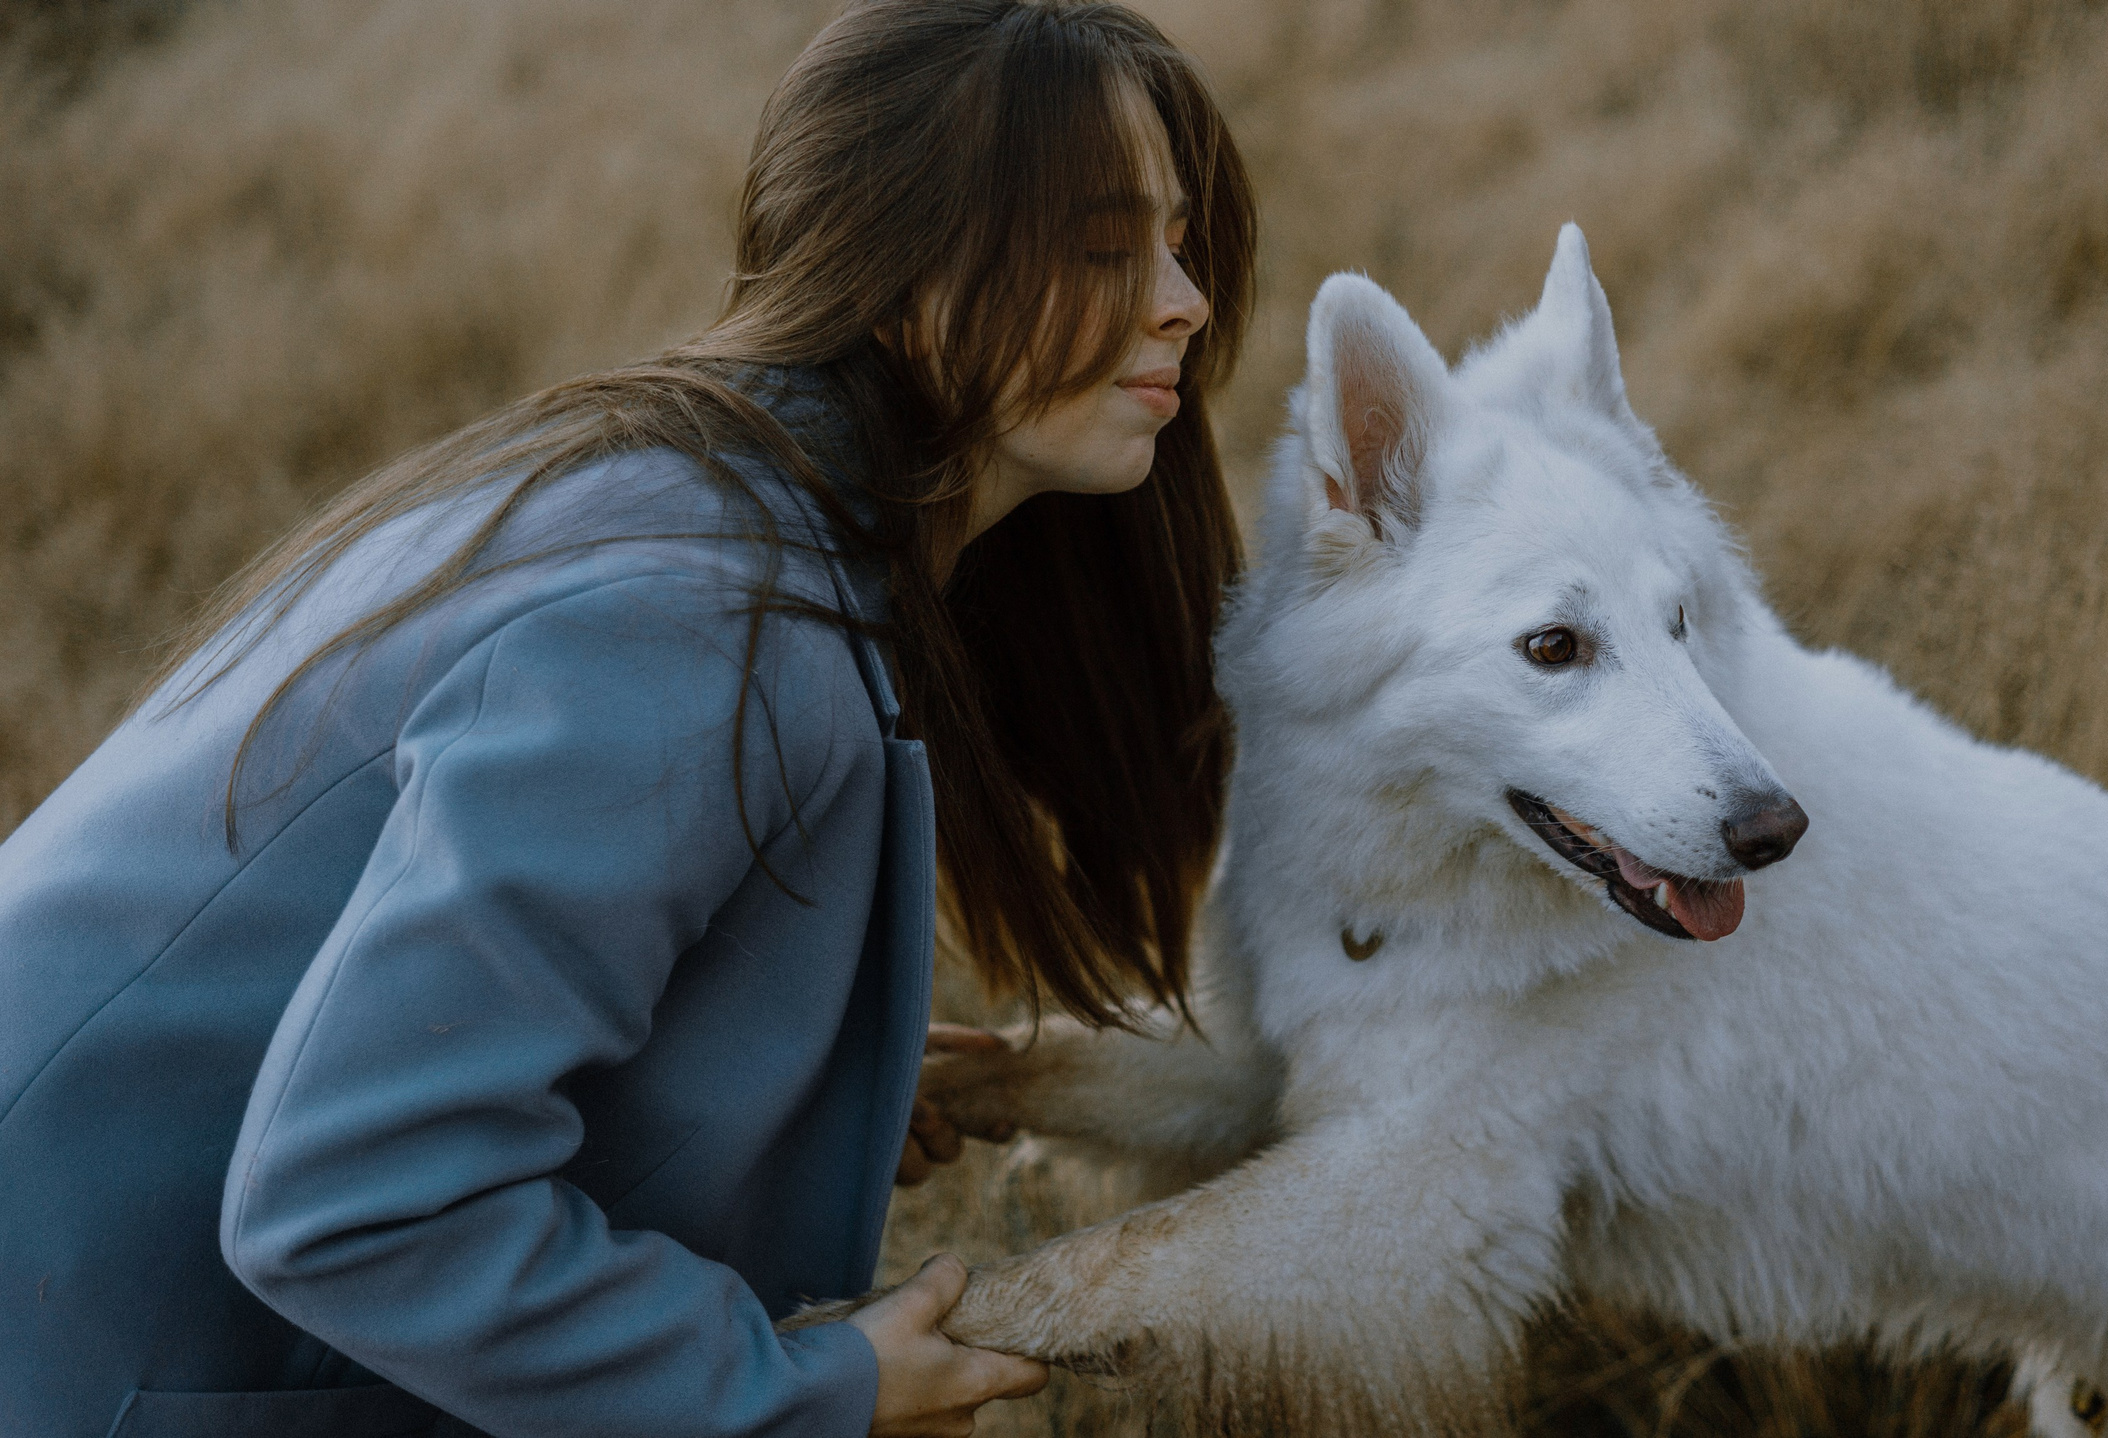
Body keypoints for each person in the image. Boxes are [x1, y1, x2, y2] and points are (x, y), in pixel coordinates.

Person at [0, 0, 1255, 1433]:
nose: (1186, 297)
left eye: (1175, 239)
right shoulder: (700, 617)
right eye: (1106, 245)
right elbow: (353, 1194)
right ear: (905, 270)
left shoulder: (694, 500)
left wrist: (788, 1075)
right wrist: (796, 1389)